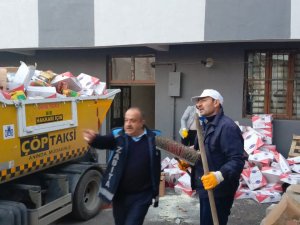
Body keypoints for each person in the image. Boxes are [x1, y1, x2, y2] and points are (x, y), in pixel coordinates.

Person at [82, 107, 161, 225]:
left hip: (142, 195)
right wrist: (94, 139)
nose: (128, 124)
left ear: (141, 123)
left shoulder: (153, 139)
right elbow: (105, 141)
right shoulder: (119, 137)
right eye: (126, 120)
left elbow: (179, 151)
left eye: (133, 121)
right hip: (120, 195)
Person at [190, 89, 245, 225]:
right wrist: (189, 161)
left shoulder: (227, 127)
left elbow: (237, 159)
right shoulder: (204, 126)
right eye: (198, 101)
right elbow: (202, 153)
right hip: (205, 186)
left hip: (220, 191)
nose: (198, 104)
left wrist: (219, 176)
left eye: (203, 100)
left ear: (216, 103)